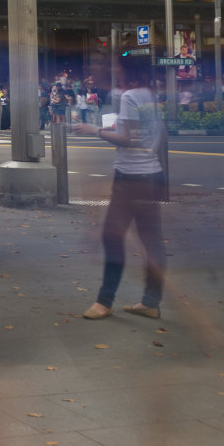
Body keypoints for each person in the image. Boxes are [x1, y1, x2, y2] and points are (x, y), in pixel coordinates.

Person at [76, 52, 167, 321]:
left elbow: (125, 139)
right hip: (151, 174)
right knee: (152, 241)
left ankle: (104, 302)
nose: (116, 71)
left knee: (111, 237)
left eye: (118, 67)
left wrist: (95, 131)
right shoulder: (151, 96)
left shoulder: (130, 97)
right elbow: (156, 135)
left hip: (130, 178)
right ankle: (151, 301)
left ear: (128, 71)